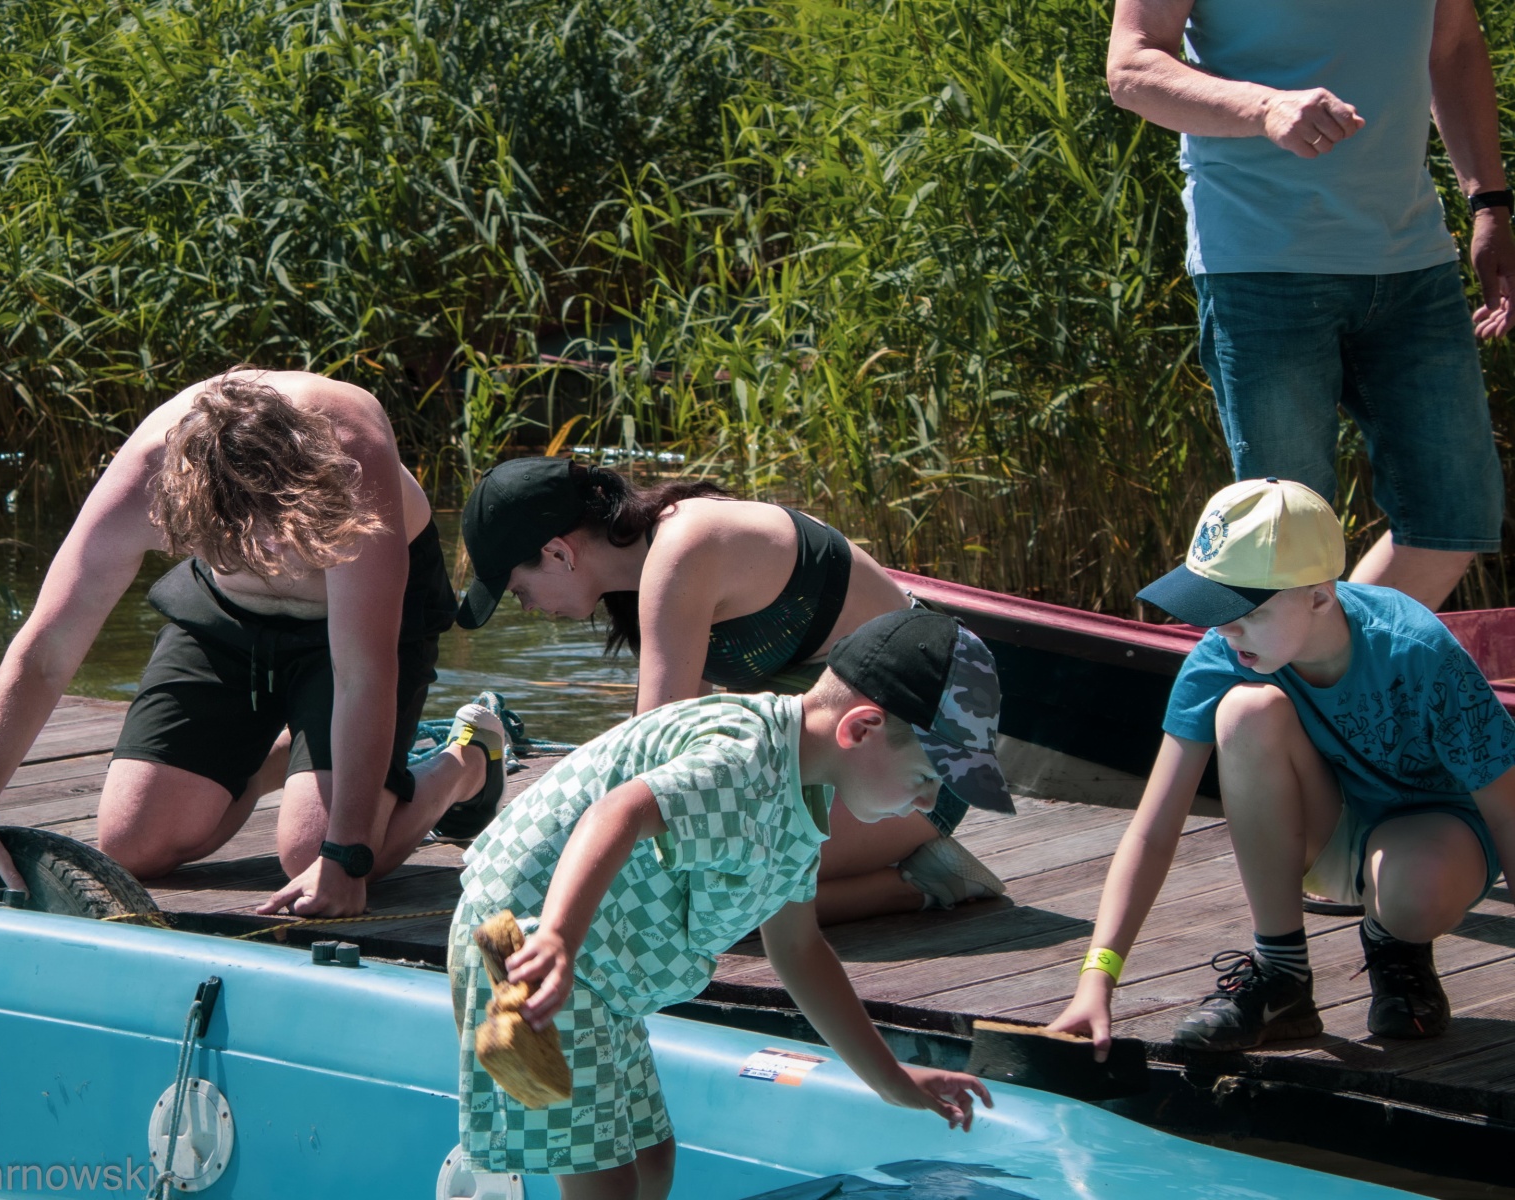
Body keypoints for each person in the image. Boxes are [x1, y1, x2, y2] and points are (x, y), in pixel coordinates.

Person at [450, 608, 1003, 1196]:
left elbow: (798, 948)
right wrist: (559, 936)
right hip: (530, 949)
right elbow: (619, 812)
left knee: (652, 1160)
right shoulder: (742, 761)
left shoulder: (803, 794)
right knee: (607, 1182)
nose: (927, 803)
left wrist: (891, 1080)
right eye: (925, 777)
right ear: (861, 728)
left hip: (602, 975)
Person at [0, 369, 507, 918]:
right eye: (252, 534)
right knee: (134, 843)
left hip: (361, 620)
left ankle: (465, 763)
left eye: (287, 527)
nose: (276, 552)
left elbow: (363, 673)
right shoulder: (145, 476)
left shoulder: (353, 454)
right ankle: (276, 758)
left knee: (313, 853)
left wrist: (347, 857)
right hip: (226, 613)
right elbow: (45, 651)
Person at [1050, 478, 1515, 1056]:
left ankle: (1395, 947)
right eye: (1212, 609)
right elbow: (1153, 828)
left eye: (1244, 611)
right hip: (1326, 830)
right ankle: (1281, 974)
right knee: (1244, 711)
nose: (1225, 630)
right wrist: (1096, 979)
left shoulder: (1415, 648)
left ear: (1319, 597)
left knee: (1412, 894)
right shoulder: (1223, 653)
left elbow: (1507, 814)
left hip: (1438, 838)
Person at [453, 457, 1014, 925]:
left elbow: (651, 753)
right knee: (666, 879)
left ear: (558, 552)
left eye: (518, 589)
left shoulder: (684, 548)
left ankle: (914, 885)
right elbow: (675, 742)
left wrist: (553, 847)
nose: (527, 606)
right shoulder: (658, 556)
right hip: (863, 768)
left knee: (690, 901)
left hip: (922, 772)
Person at [1106, 0, 1512, 610]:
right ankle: (1278, 664)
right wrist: (1265, 107)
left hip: (1414, 259)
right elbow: (1131, 67)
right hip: (1261, 265)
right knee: (1285, 548)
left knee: (1454, 522)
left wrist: (1490, 205)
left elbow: (1452, 47)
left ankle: (1336, 660)